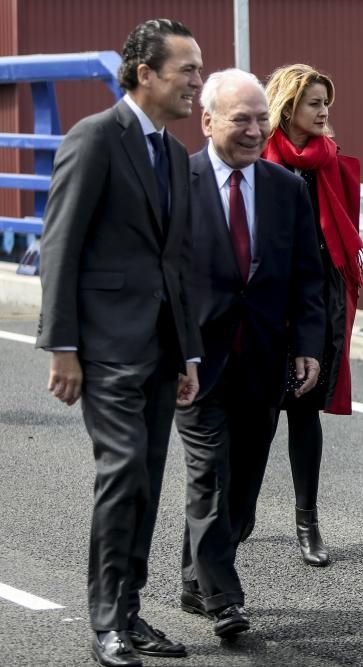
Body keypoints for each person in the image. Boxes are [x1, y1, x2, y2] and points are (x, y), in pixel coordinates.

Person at [37, 18, 202, 667]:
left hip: (162, 348)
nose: (197, 80)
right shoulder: (96, 138)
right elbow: (60, 244)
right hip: (104, 345)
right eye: (186, 69)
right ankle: (106, 619)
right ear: (144, 74)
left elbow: (177, 261)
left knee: (148, 479)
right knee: (122, 472)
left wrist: (187, 350)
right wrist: (62, 347)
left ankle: (130, 614)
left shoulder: (170, 152)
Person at [174, 68, 326, 638]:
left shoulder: (286, 187)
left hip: (263, 363)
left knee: (241, 495)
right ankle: (224, 597)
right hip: (196, 363)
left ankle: (196, 577)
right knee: (210, 477)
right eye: (242, 119)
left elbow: (307, 278)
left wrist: (308, 346)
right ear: (208, 120)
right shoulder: (176, 182)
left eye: (262, 118)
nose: (255, 129)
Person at [262, 64, 363, 567]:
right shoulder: (261, 159)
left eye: (327, 102)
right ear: (288, 107)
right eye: (314, 103)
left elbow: (338, 237)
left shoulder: (329, 161)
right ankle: (238, 517)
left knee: (305, 411)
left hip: (318, 298)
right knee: (255, 415)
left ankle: (308, 523)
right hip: (267, 300)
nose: (324, 112)